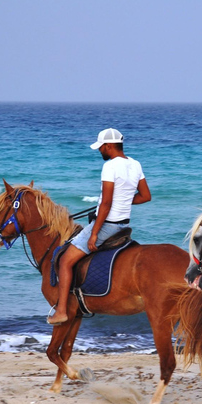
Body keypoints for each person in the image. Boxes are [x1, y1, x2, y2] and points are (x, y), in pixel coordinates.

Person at [47, 128, 151, 325]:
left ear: (109, 146)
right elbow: (146, 196)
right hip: (123, 226)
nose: (99, 151)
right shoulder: (135, 164)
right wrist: (124, 200)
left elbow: (106, 203)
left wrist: (94, 234)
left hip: (107, 226)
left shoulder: (110, 167)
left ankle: (61, 310)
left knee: (65, 261)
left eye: (101, 147)